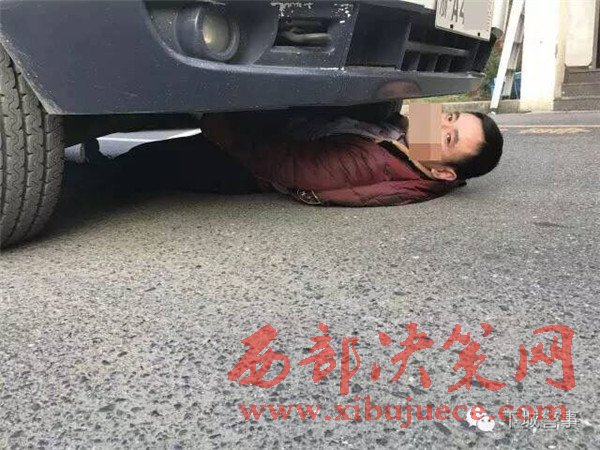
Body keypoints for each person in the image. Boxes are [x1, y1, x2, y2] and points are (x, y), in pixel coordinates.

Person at [95, 109, 503, 206]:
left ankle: (89, 177)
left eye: (448, 136)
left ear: (443, 172)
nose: (440, 121)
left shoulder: (372, 164)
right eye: (451, 116)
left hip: (242, 166)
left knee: (141, 166)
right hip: (270, 133)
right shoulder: (402, 139)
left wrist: (220, 125)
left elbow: (288, 166)